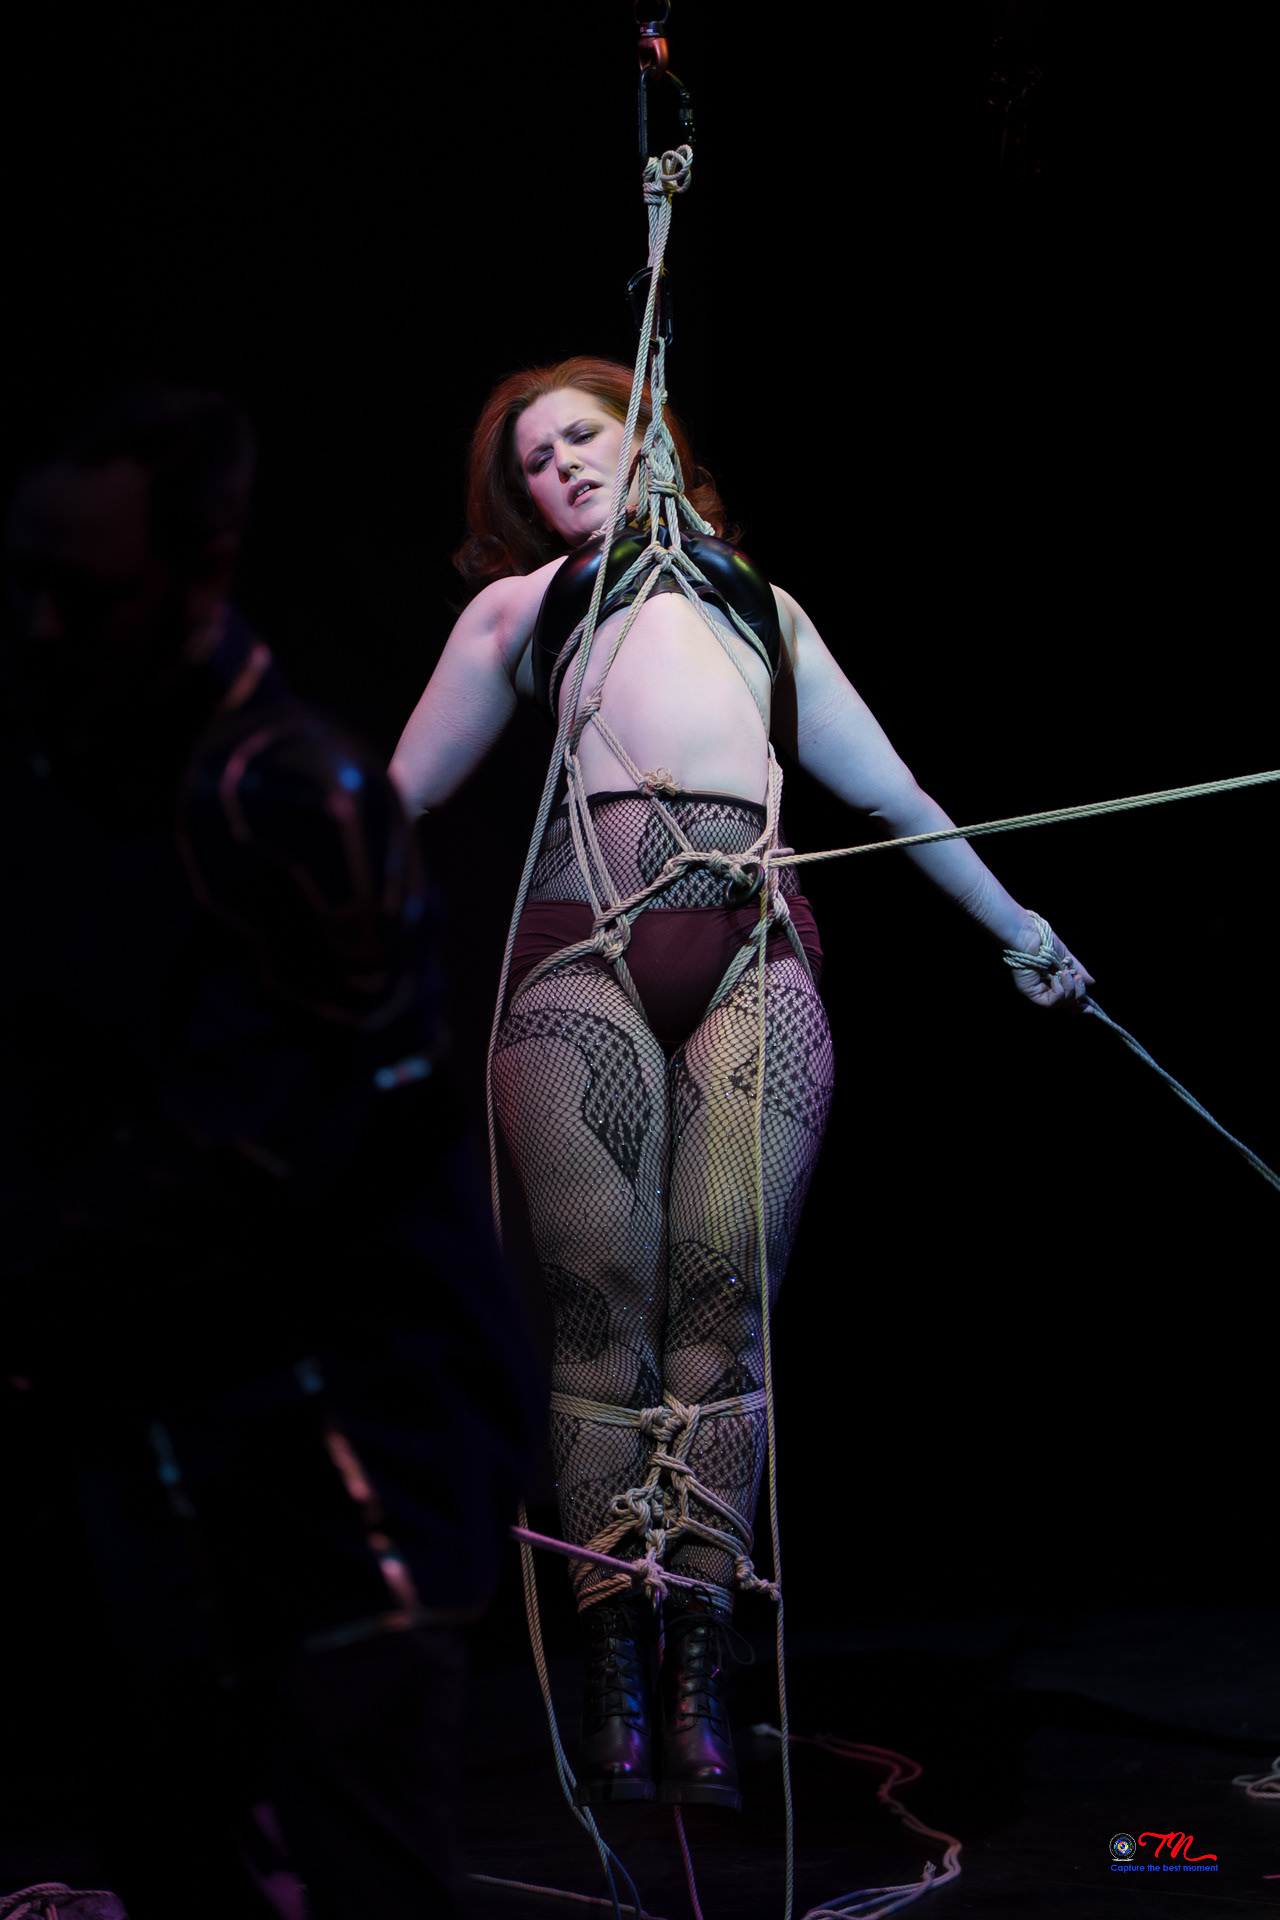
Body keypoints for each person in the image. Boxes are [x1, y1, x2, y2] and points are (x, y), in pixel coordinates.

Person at [390, 354, 1093, 1814]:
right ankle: (614, 1658)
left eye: (581, 435)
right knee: (603, 1302)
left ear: (647, 432)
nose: (561, 468)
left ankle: (700, 1655)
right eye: (533, 463)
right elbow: (393, 802)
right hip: (578, 956)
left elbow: (892, 793)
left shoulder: (762, 608)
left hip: (753, 958)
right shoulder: (525, 610)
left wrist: (1021, 929)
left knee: (724, 1295)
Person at [1, 382, 542, 1918]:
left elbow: (266, 1158)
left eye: (86, 593)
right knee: (174, 1854)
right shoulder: (79, 778)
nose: (42, 627)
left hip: (344, 1459)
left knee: (360, 1861)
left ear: (204, 569)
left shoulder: (283, 795)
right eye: (26, 584)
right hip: (161, 1434)